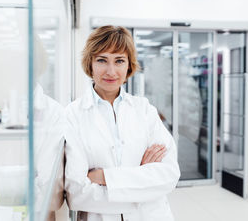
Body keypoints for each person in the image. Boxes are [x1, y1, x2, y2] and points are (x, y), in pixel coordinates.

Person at [65, 25, 180, 221]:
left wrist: (102, 178)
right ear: (90, 64)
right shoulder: (73, 114)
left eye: (119, 61)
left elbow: (169, 175)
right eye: (102, 60)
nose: (111, 71)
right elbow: (77, 194)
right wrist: (143, 185)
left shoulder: (144, 110)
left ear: (128, 65)